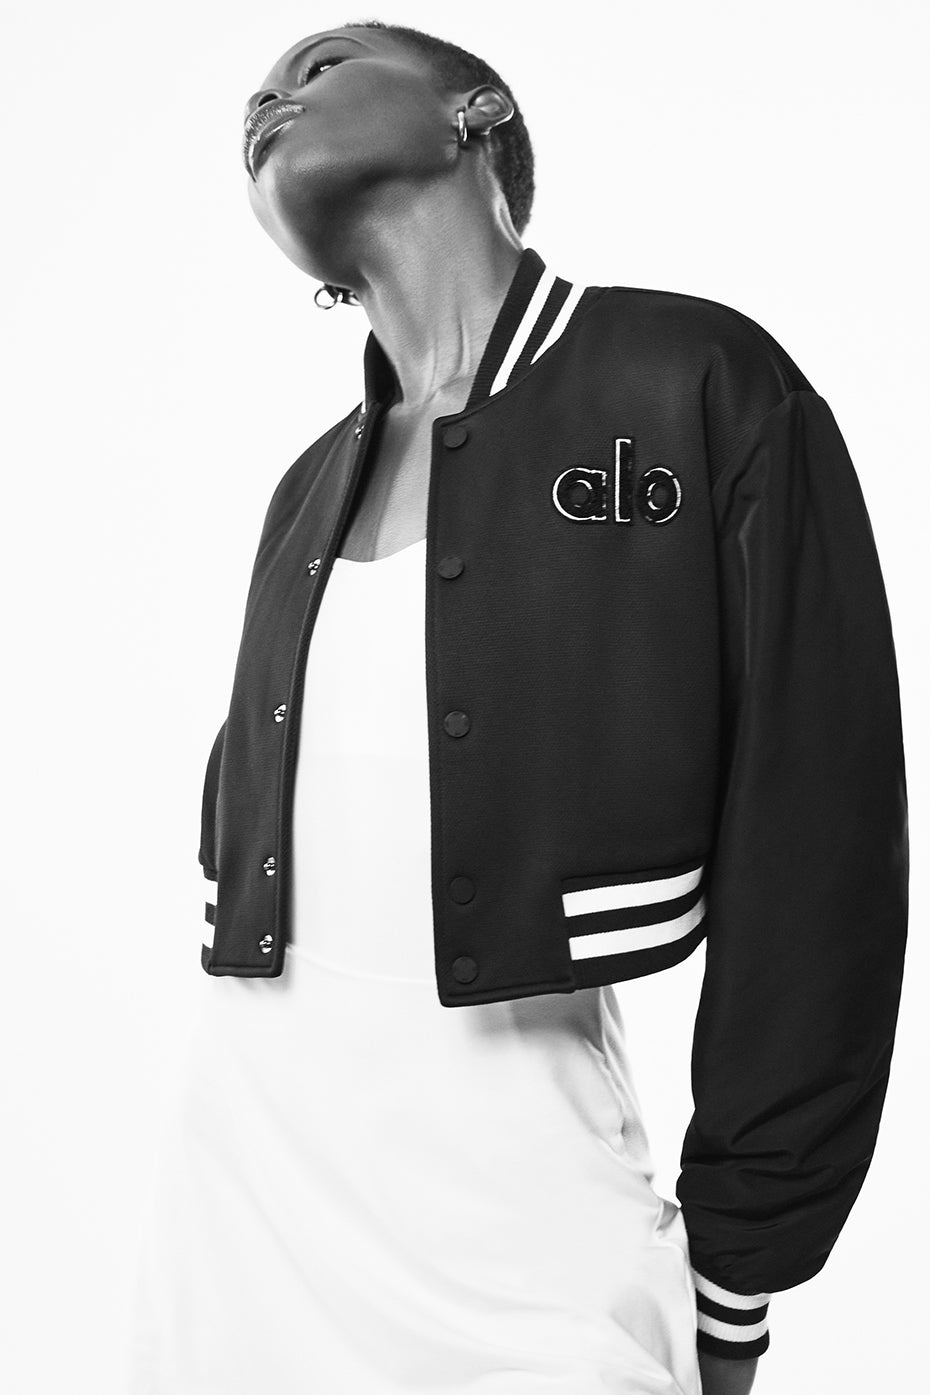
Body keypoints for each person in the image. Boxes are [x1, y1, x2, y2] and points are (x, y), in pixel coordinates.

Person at [126, 20, 909, 1395]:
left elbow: (819, 847)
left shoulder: (694, 384)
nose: (268, 101)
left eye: (321, 67)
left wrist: (737, 1273)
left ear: (474, 111)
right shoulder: (304, 492)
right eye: (254, 95)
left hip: (527, 1240)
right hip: (243, 1209)